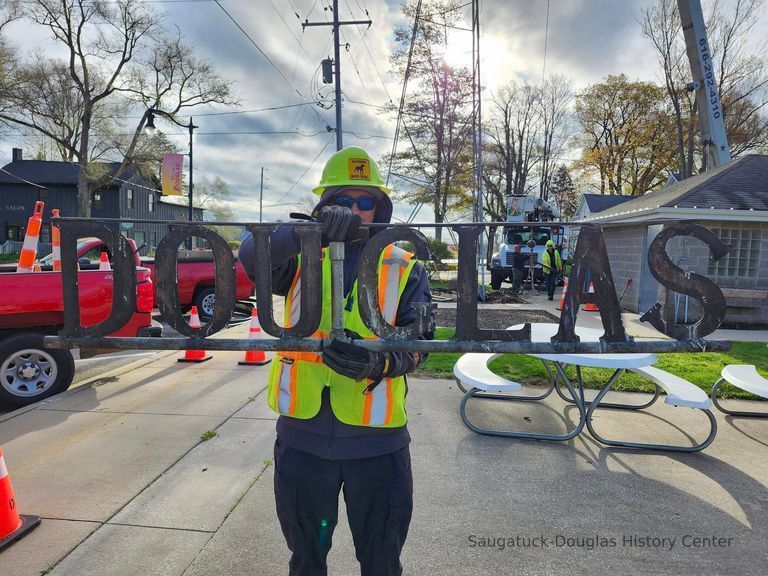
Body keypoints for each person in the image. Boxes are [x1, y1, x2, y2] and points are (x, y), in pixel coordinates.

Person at [239, 146, 433, 576]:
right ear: (324, 206)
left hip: (378, 447)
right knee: (307, 561)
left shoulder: (405, 268)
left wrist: (378, 365)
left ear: (380, 209)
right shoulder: (300, 259)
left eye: (366, 202)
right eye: (343, 201)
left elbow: (421, 343)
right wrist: (309, 233)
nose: (356, 211)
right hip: (302, 442)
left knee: (381, 562)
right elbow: (251, 252)